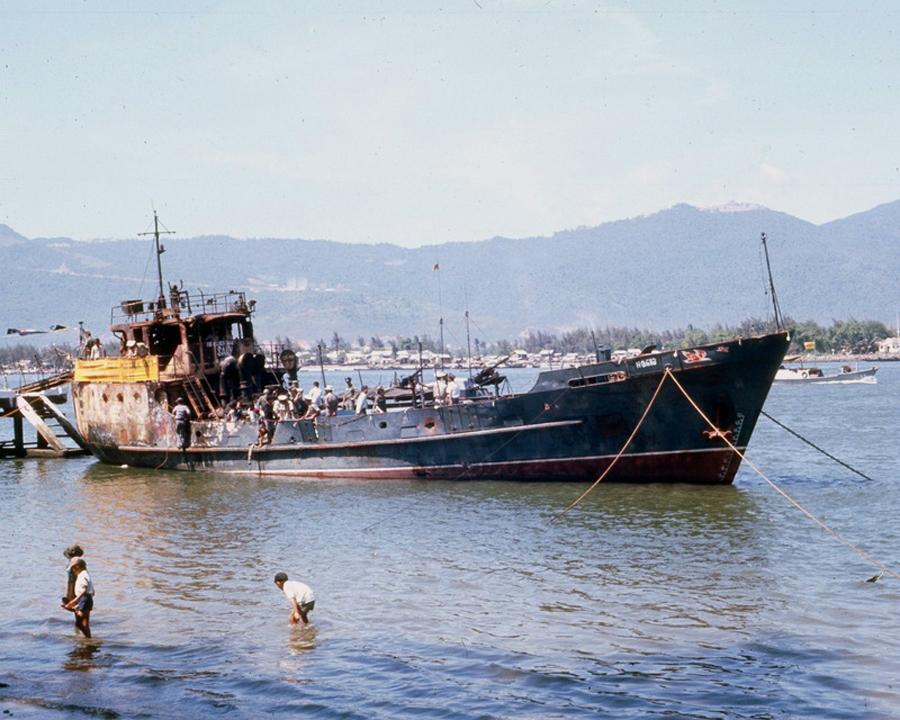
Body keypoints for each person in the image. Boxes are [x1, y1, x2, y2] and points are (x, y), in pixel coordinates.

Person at [63, 558, 94, 638]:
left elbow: (84, 590)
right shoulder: (85, 574)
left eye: (72, 569)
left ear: (77, 567)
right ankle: (88, 638)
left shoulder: (82, 576)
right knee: (82, 623)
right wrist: (78, 605)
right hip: (85, 599)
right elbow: (93, 592)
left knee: (82, 623)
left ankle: (88, 639)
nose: (72, 572)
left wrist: (74, 601)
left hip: (84, 598)